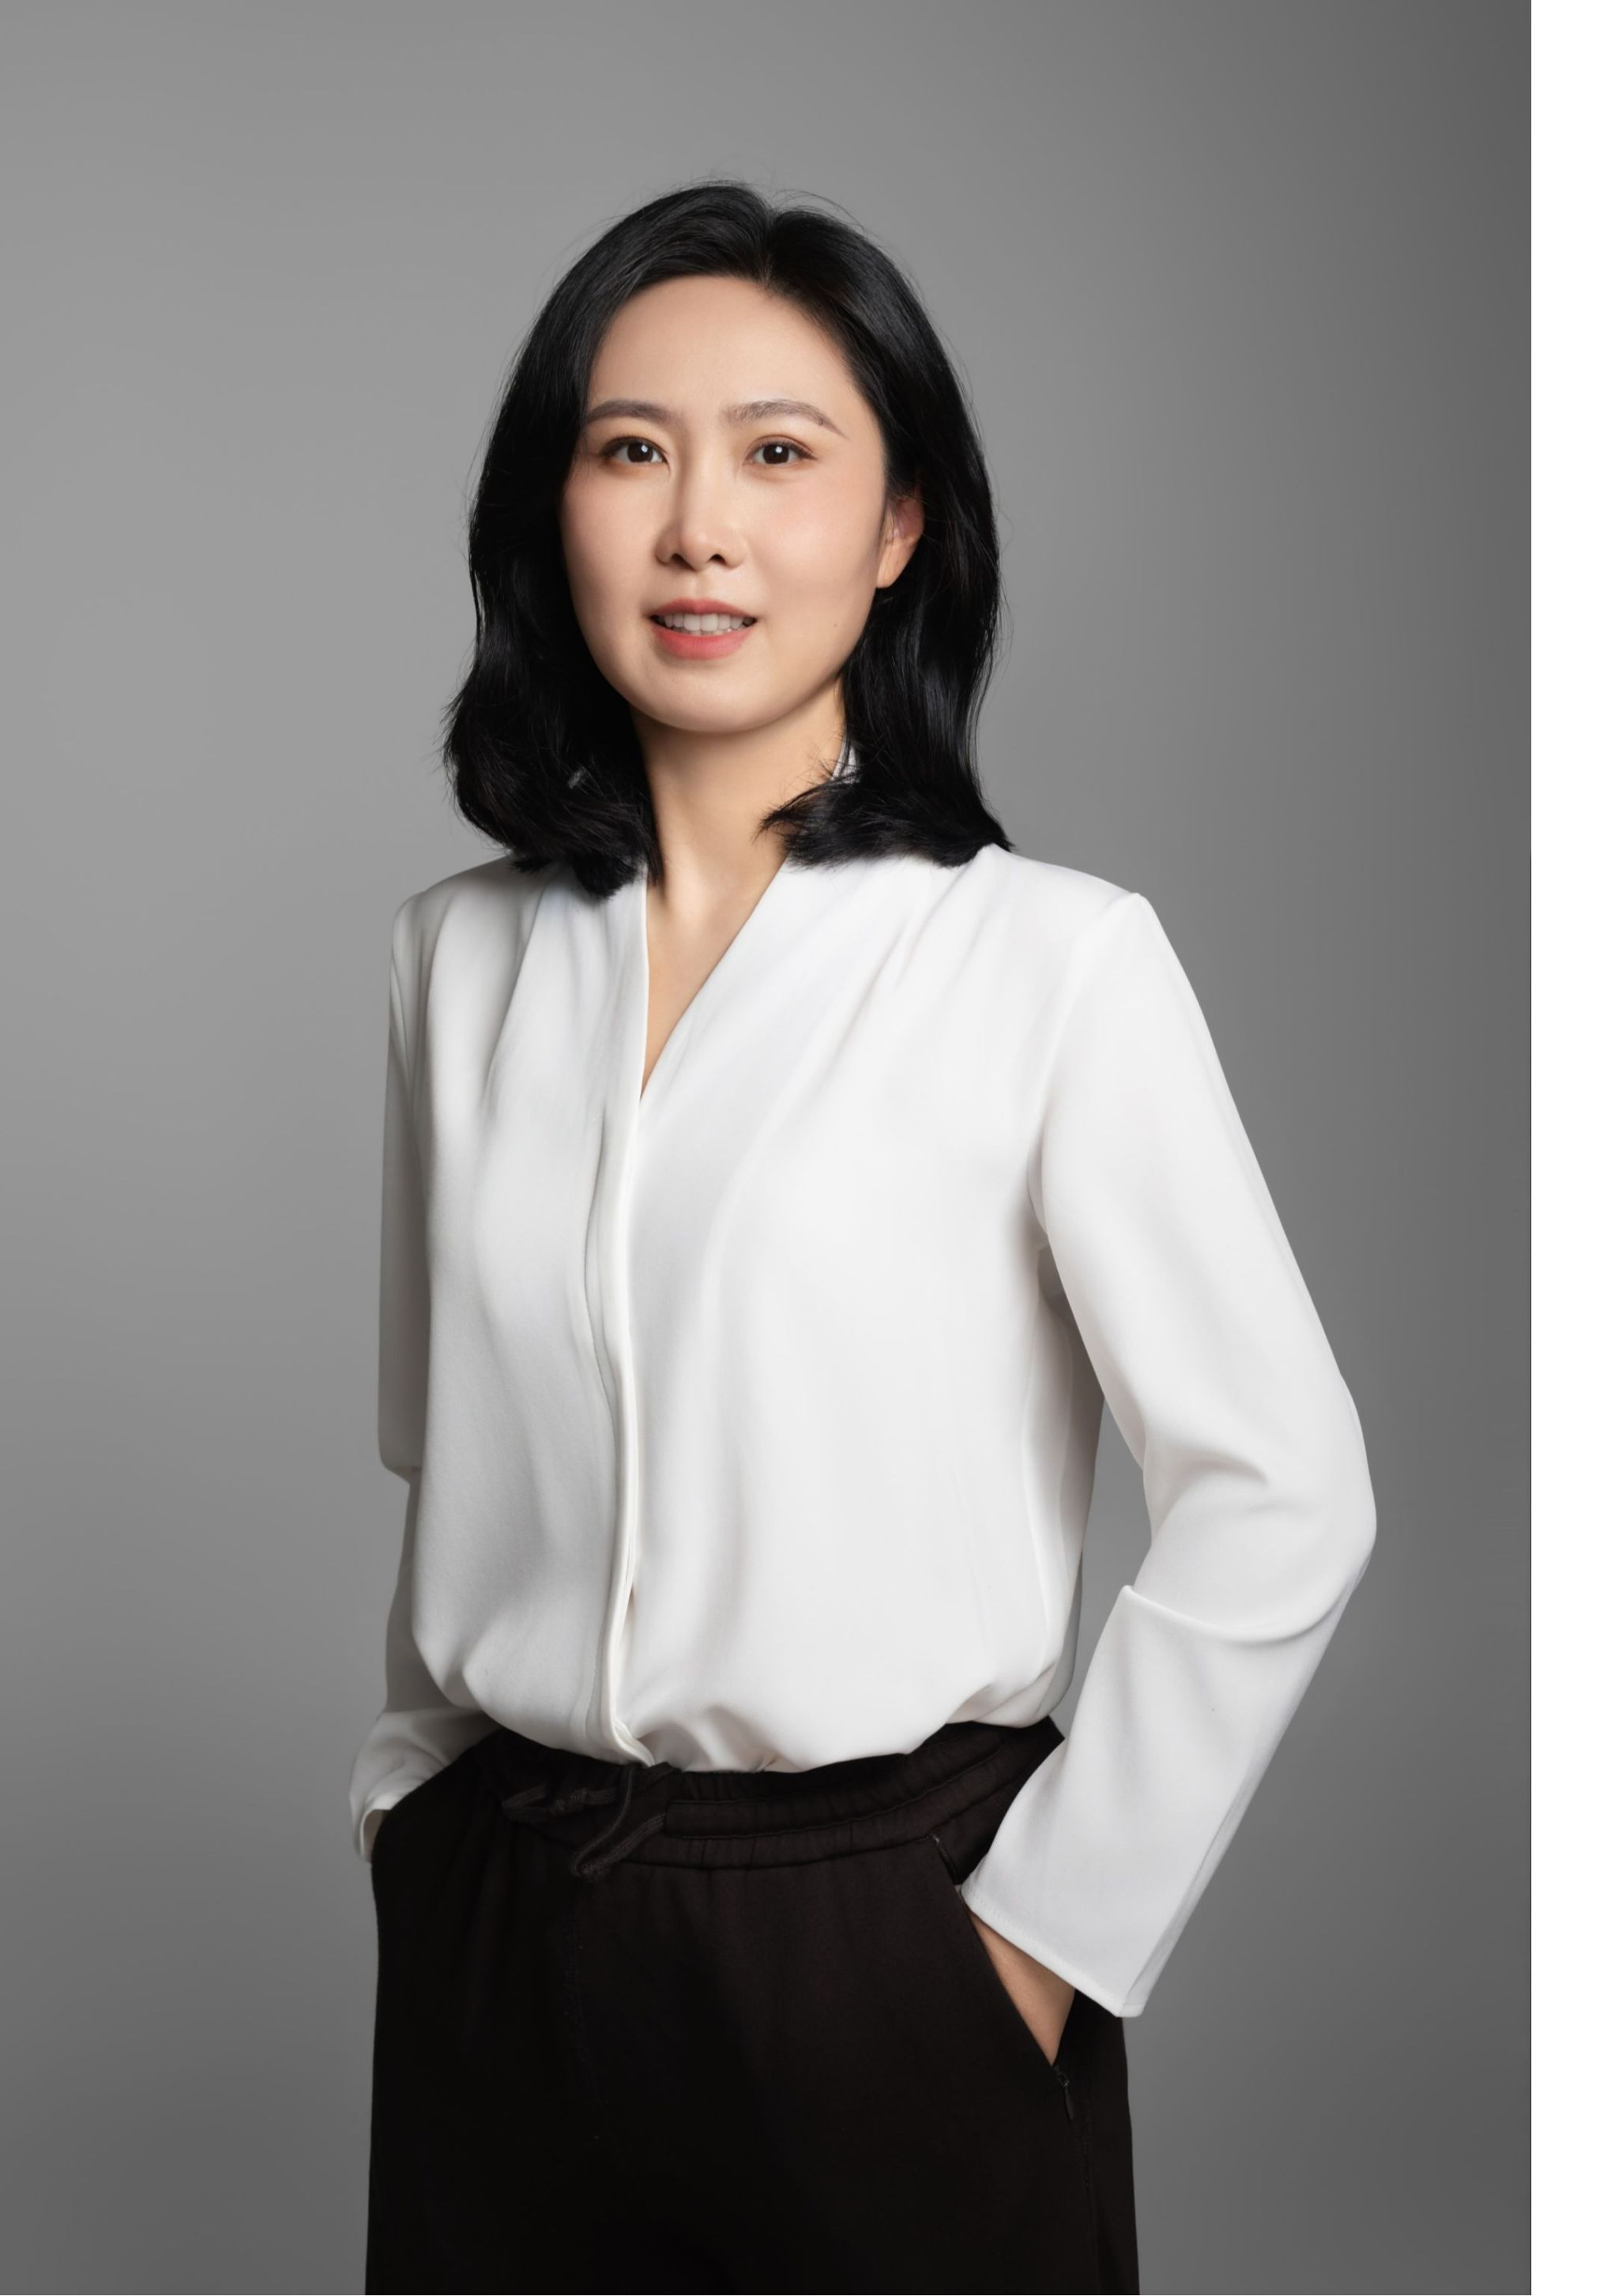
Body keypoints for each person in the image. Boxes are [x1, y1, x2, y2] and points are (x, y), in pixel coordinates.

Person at [348, 179, 1376, 2296]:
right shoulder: (455, 960)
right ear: (554, 505)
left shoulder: (1050, 964)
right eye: (632, 449)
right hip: (504, 1932)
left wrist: (1038, 1944)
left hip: (886, 1945)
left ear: (901, 525)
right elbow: (442, 1448)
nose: (699, 528)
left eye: (779, 453)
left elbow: (1286, 1490)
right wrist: (415, 1812)